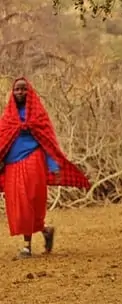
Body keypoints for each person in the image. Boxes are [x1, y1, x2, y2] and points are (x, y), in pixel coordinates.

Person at [0, 77, 90, 259]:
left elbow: (47, 142)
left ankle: (26, 246)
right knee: (17, 205)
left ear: (30, 92)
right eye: (17, 89)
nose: (20, 92)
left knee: (29, 201)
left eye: (24, 89)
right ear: (12, 92)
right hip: (12, 165)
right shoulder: (8, 117)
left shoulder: (39, 115)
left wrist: (53, 165)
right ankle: (46, 230)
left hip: (33, 161)